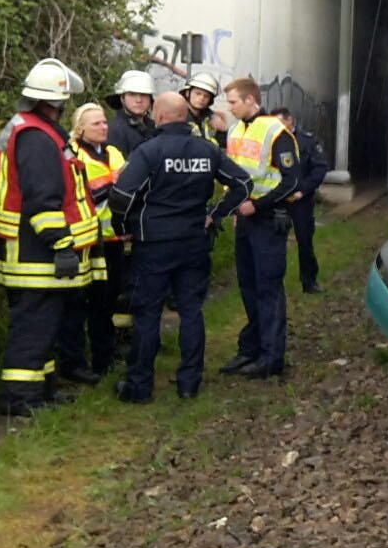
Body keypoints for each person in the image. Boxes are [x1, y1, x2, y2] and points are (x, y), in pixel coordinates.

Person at [108, 93, 250, 402]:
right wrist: (216, 214)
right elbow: (243, 183)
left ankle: (139, 387)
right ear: (185, 116)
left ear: (158, 116)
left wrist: (122, 228)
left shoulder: (149, 151)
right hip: (194, 241)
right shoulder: (207, 150)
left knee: (147, 314)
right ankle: (189, 383)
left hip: (154, 243)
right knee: (191, 311)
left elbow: (121, 197)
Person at [0, 58, 97, 416]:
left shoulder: (33, 129)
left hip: (33, 251)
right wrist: (61, 243)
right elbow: (43, 199)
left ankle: (42, 390)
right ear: (56, 102)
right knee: (34, 327)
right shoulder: (37, 138)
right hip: (36, 253)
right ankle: (19, 398)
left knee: (46, 325)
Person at [217, 77, 298, 379]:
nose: (230, 107)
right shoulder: (237, 128)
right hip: (245, 218)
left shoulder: (277, 132)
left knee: (268, 288)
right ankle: (250, 349)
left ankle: (271, 357)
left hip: (267, 218)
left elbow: (291, 180)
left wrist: (258, 205)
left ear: (251, 100)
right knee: (248, 286)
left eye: (234, 102)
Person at [54, 104, 125, 383]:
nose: (104, 127)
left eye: (105, 122)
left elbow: (128, 184)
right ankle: (76, 362)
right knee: (79, 305)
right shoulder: (72, 154)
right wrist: (112, 186)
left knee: (106, 302)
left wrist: (112, 186)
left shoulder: (113, 152)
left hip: (113, 238)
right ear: (80, 128)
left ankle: (104, 357)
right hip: (84, 241)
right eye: (97, 124)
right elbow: (79, 195)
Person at [270, 108, 328, 293]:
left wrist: (303, 191)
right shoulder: (270, 141)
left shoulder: (306, 141)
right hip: (278, 200)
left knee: (304, 241)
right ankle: (274, 283)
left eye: (280, 122)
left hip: (301, 200)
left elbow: (319, 169)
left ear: (290, 120)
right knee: (274, 243)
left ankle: (309, 281)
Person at [106, 69, 156, 158]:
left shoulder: (155, 127)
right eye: (132, 94)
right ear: (122, 98)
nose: (139, 100)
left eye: (144, 95)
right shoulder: (114, 130)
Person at [182, 72, 225, 144]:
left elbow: (222, 146)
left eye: (206, 96)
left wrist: (222, 131)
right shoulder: (178, 117)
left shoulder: (213, 119)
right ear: (187, 93)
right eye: (198, 93)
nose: (202, 98)